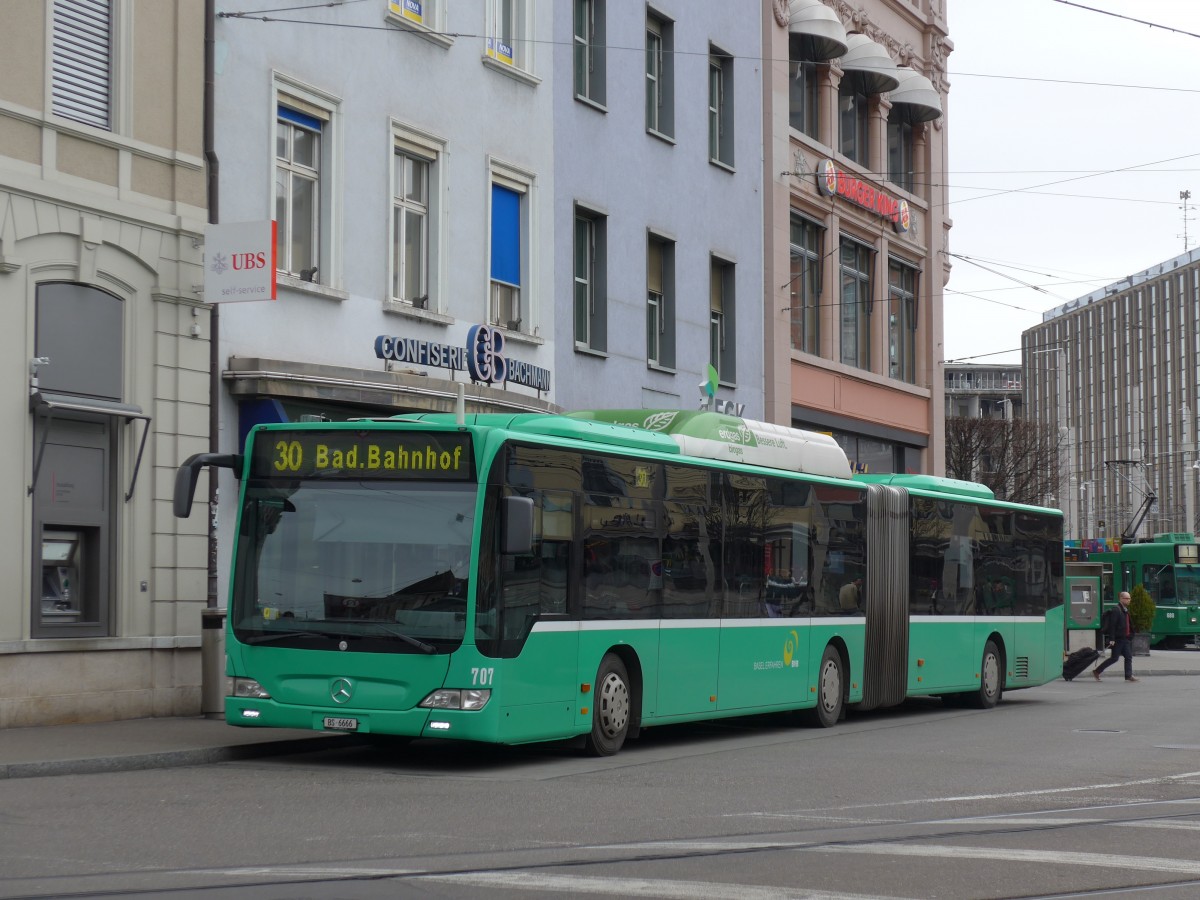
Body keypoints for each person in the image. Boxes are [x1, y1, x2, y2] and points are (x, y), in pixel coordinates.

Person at [1093, 591, 1139, 682]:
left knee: (1128, 657)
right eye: (1127, 598)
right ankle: (1097, 671)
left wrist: (1131, 634)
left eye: (1129, 598)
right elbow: (1112, 625)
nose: (1129, 600)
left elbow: (1128, 623)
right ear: (1121, 599)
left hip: (1125, 638)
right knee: (1114, 658)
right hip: (1118, 639)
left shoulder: (1125, 610)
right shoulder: (1116, 610)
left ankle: (1128, 675)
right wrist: (1112, 639)